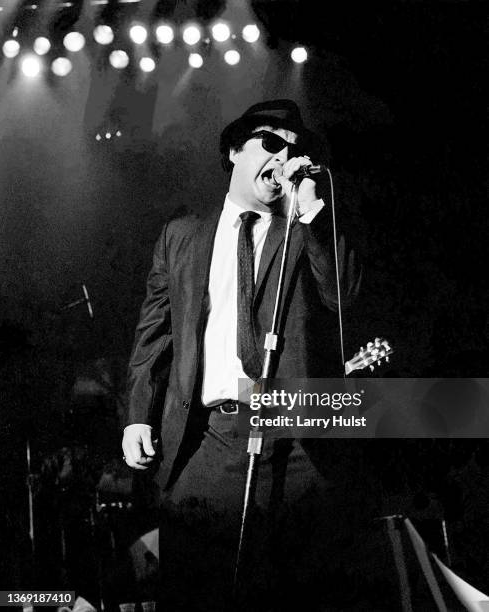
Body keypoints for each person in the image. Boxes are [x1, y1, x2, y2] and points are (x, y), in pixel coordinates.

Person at [122, 99, 361, 611]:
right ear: (234, 151)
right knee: (197, 590)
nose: (282, 157)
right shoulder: (182, 236)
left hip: (296, 442)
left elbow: (345, 299)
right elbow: (154, 334)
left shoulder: (307, 228)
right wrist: (137, 416)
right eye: (271, 143)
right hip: (209, 441)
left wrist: (314, 212)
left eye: (293, 148)